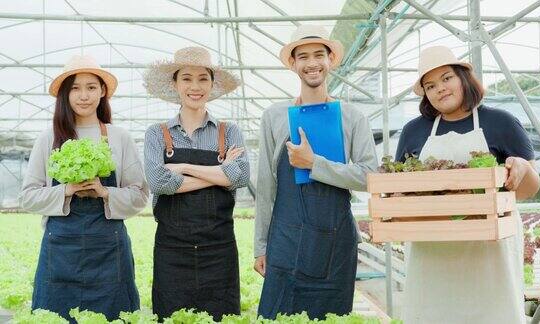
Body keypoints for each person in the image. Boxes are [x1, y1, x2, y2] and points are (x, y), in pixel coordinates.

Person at [396, 45, 540, 323]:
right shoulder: (413, 131)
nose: (440, 88)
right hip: (431, 250)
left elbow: (529, 189)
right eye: (430, 85)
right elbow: (402, 188)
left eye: (447, 78)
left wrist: (521, 168)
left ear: (463, 78)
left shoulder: (501, 122)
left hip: (489, 251)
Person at [254, 25, 378, 320]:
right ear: (293, 64)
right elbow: (266, 186)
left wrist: (314, 164)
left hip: (335, 241)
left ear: (330, 60)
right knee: (277, 315)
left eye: (319, 55)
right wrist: (260, 246)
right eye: (304, 57)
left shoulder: (352, 116)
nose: (312, 63)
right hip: (286, 238)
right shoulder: (274, 117)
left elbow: (370, 176)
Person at [19, 55, 149, 321]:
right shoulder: (49, 138)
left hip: (109, 250)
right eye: (75, 88)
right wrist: (66, 189)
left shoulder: (119, 137)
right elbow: (28, 197)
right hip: (60, 251)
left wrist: (105, 192)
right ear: (65, 94)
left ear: (102, 91)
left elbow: (140, 195)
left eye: (91, 87)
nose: (84, 95)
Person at [143, 46, 250, 321]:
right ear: (175, 84)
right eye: (187, 78)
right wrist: (219, 172)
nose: (195, 86)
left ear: (213, 84)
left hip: (219, 249)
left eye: (203, 78)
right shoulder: (158, 133)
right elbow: (159, 181)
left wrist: (184, 167)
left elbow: (240, 177)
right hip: (172, 250)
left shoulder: (229, 131)